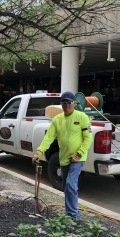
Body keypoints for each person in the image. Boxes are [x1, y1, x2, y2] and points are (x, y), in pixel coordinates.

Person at [33, 91, 93, 220]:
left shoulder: (82, 117)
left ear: (74, 103)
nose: (66, 106)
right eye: (64, 103)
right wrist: (39, 152)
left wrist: (80, 152)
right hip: (64, 158)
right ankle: (69, 212)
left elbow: (88, 138)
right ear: (61, 104)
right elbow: (48, 137)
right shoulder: (57, 120)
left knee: (71, 184)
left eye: (69, 103)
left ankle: (73, 216)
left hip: (78, 157)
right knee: (67, 186)